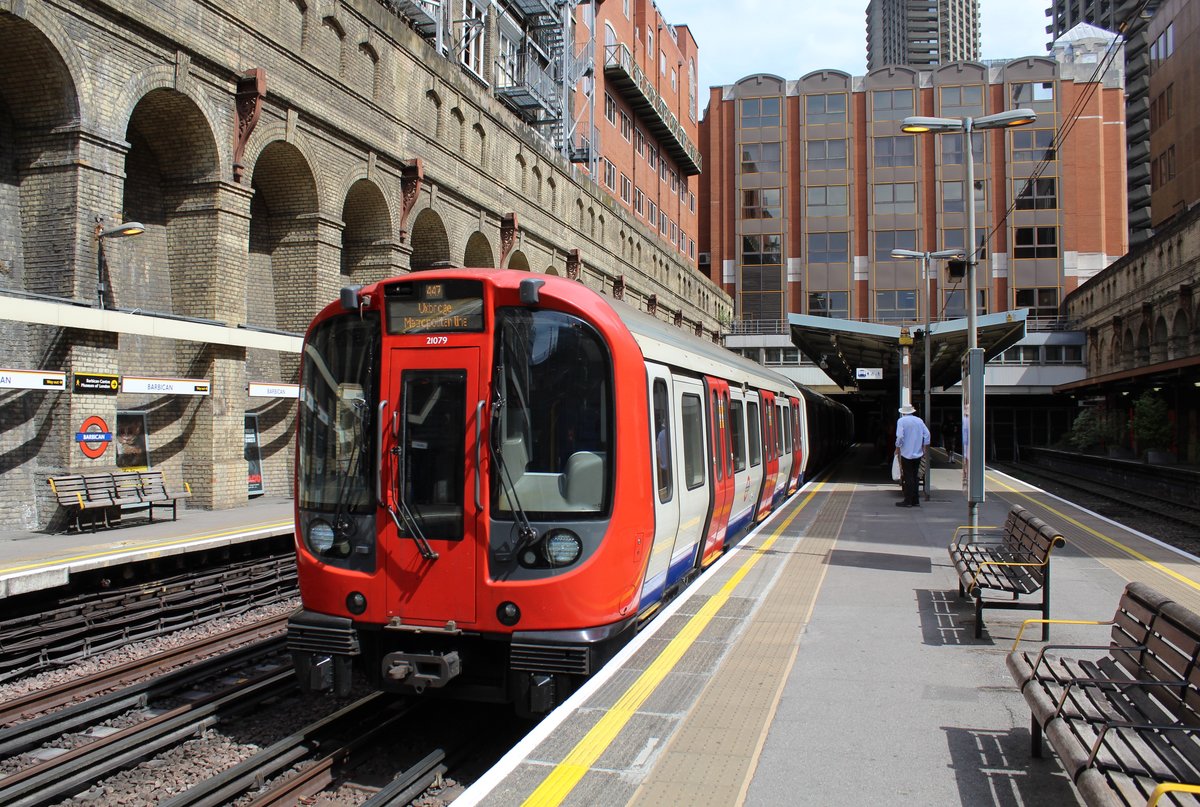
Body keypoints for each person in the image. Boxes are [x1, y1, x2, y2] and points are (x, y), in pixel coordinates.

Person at [895, 403, 930, 507]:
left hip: (906, 453)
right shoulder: (919, 421)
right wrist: (924, 446)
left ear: (903, 412)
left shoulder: (901, 421)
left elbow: (900, 436)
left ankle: (908, 500)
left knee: (908, 476)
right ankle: (915, 500)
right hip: (918, 453)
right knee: (915, 476)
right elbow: (927, 434)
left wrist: (897, 447)